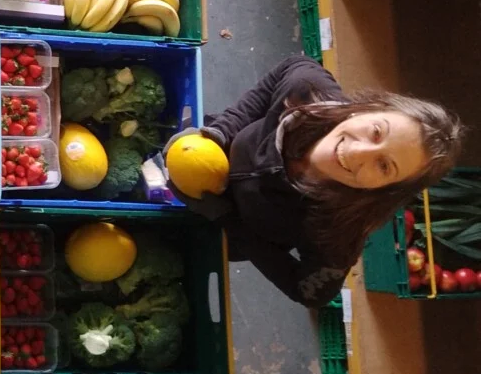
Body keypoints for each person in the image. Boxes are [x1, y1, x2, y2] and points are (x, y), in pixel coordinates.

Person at [167, 54, 463, 308]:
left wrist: (228, 221)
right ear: (369, 109)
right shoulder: (307, 93)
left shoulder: (341, 232)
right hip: (201, 154)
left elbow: (312, 293)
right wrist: (221, 132)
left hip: (216, 234)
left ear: (387, 190)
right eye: (376, 132)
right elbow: (289, 66)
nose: (357, 153)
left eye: (384, 166)